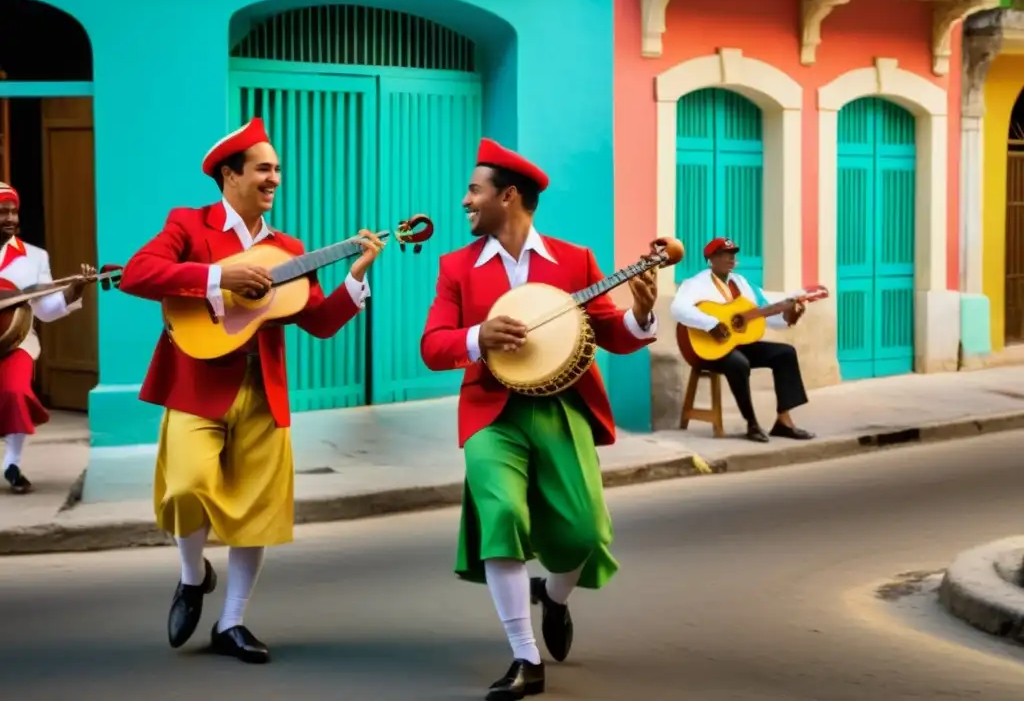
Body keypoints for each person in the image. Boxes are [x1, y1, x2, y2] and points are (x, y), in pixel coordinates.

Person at [117, 117, 384, 664]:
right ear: (229, 175)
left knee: (257, 507)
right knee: (186, 485)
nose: (275, 178)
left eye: (278, 169)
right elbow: (138, 274)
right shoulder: (189, 226)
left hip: (263, 389)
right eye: (264, 168)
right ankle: (194, 577)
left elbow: (319, 321)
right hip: (196, 383)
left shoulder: (289, 248)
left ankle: (232, 621)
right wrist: (219, 279)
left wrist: (356, 278)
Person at [420, 138, 659, 700]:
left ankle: (552, 597)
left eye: (474, 191)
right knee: (501, 514)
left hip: (560, 406)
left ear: (508, 196)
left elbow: (613, 335)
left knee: (583, 530)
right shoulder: (455, 267)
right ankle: (525, 658)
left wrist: (643, 316)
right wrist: (479, 337)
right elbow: (433, 347)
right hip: (490, 410)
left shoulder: (574, 261)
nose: (464, 201)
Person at [670, 237, 814, 443]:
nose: (730, 258)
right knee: (739, 363)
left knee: (785, 353)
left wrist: (789, 315)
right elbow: (678, 309)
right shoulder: (695, 284)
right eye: (724, 254)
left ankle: (784, 422)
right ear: (711, 259)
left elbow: (766, 314)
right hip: (706, 349)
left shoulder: (743, 284)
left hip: (737, 343)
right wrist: (710, 324)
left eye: (732, 254)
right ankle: (752, 423)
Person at [0, 182, 94, 494]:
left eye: (14, 212)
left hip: (17, 341)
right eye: (3, 212)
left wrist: (74, 290)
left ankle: (11, 463)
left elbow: (46, 312)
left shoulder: (34, 258)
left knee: (15, 391)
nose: (10, 218)